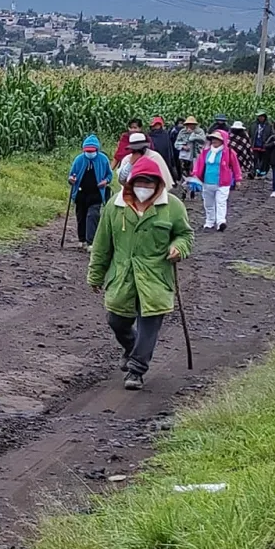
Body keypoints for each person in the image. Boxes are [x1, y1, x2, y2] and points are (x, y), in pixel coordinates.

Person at [88, 156, 192, 392]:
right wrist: (95, 275)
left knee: (150, 325)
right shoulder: (115, 207)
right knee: (116, 320)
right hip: (122, 275)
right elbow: (102, 243)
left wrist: (179, 248)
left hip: (156, 276)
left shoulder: (172, 207)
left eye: (150, 184)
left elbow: (185, 235)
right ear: (130, 183)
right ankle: (131, 346)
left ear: (158, 185)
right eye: (140, 183)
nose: (144, 189)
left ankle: (136, 369)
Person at [190, 127, 243, 231]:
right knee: (208, 203)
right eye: (213, 139)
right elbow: (199, 165)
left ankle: (220, 222)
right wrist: (195, 175)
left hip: (222, 183)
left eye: (217, 139)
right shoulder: (206, 152)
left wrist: (238, 179)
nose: (214, 141)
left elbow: (236, 166)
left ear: (223, 140)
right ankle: (209, 221)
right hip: (207, 182)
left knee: (221, 202)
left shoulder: (228, 152)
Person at [67, 135, 113, 248]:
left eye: (92, 151)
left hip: (96, 193)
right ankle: (82, 239)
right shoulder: (79, 159)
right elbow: (71, 175)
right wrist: (71, 180)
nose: (89, 153)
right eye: (87, 151)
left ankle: (91, 242)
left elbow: (109, 175)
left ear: (97, 150)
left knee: (93, 215)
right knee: (81, 216)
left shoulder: (103, 159)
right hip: (81, 193)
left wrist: (105, 181)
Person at [250, 111, 273, 177]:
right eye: (259, 117)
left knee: (263, 160)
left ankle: (262, 173)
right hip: (255, 144)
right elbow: (250, 134)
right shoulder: (254, 124)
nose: (260, 118)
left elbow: (272, 135)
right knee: (255, 159)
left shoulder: (269, 125)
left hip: (264, 145)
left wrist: (268, 143)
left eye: (262, 117)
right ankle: (254, 172)